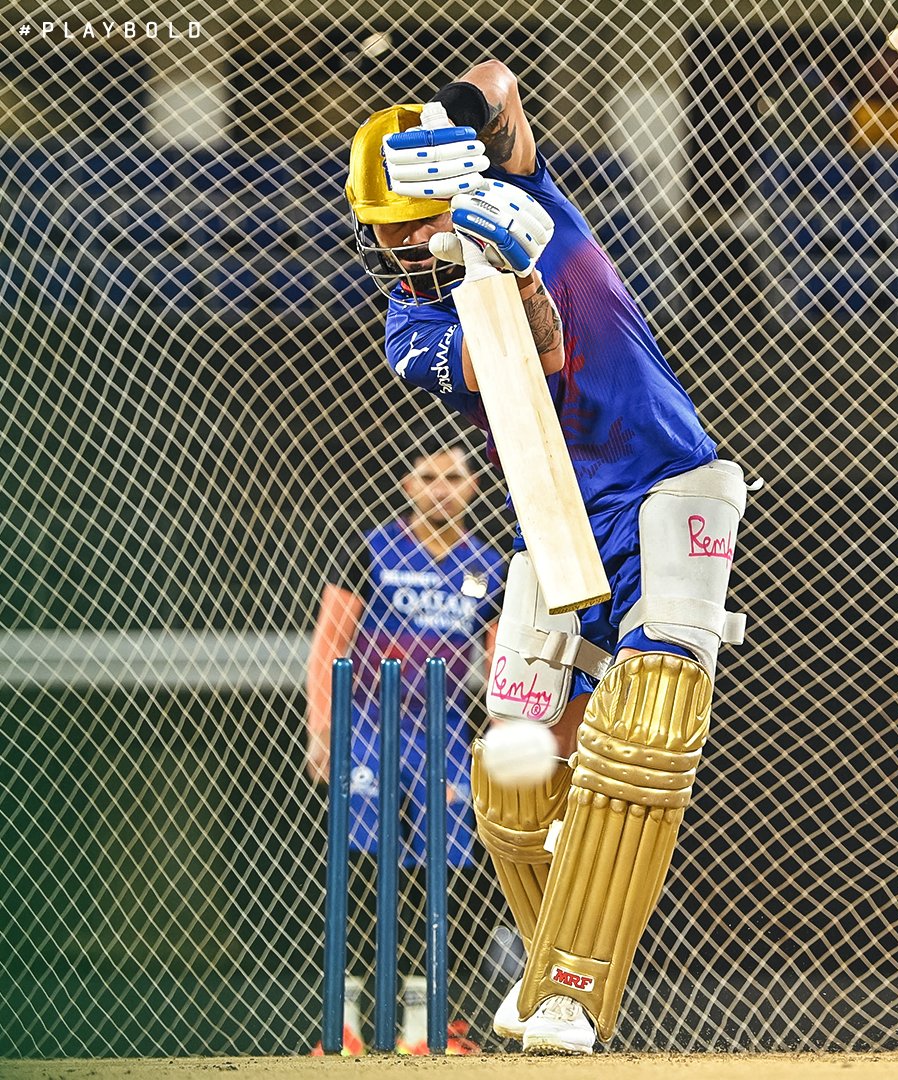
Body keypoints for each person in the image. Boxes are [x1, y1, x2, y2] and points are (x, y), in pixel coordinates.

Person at [344, 59, 752, 1055]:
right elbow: (523, 351)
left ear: (448, 183)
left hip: (664, 484)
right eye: (384, 225)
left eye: (410, 216)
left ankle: (573, 987)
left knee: (651, 726)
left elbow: (501, 80)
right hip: (551, 524)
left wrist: (460, 127)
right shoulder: (409, 325)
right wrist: (505, 274)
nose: (399, 241)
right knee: (513, 781)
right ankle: (539, 975)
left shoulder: (522, 190)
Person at [306, 438, 502, 1055]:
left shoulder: (488, 566)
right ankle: (345, 1023)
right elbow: (329, 642)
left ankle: (426, 1025)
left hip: (443, 733)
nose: (439, 487)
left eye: (452, 476)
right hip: (368, 723)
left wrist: (502, 733)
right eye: (426, 476)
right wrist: (321, 729)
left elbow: (500, 659)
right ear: (407, 486)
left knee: (440, 872)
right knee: (361, 866)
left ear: (472, 488)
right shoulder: (371, 548)